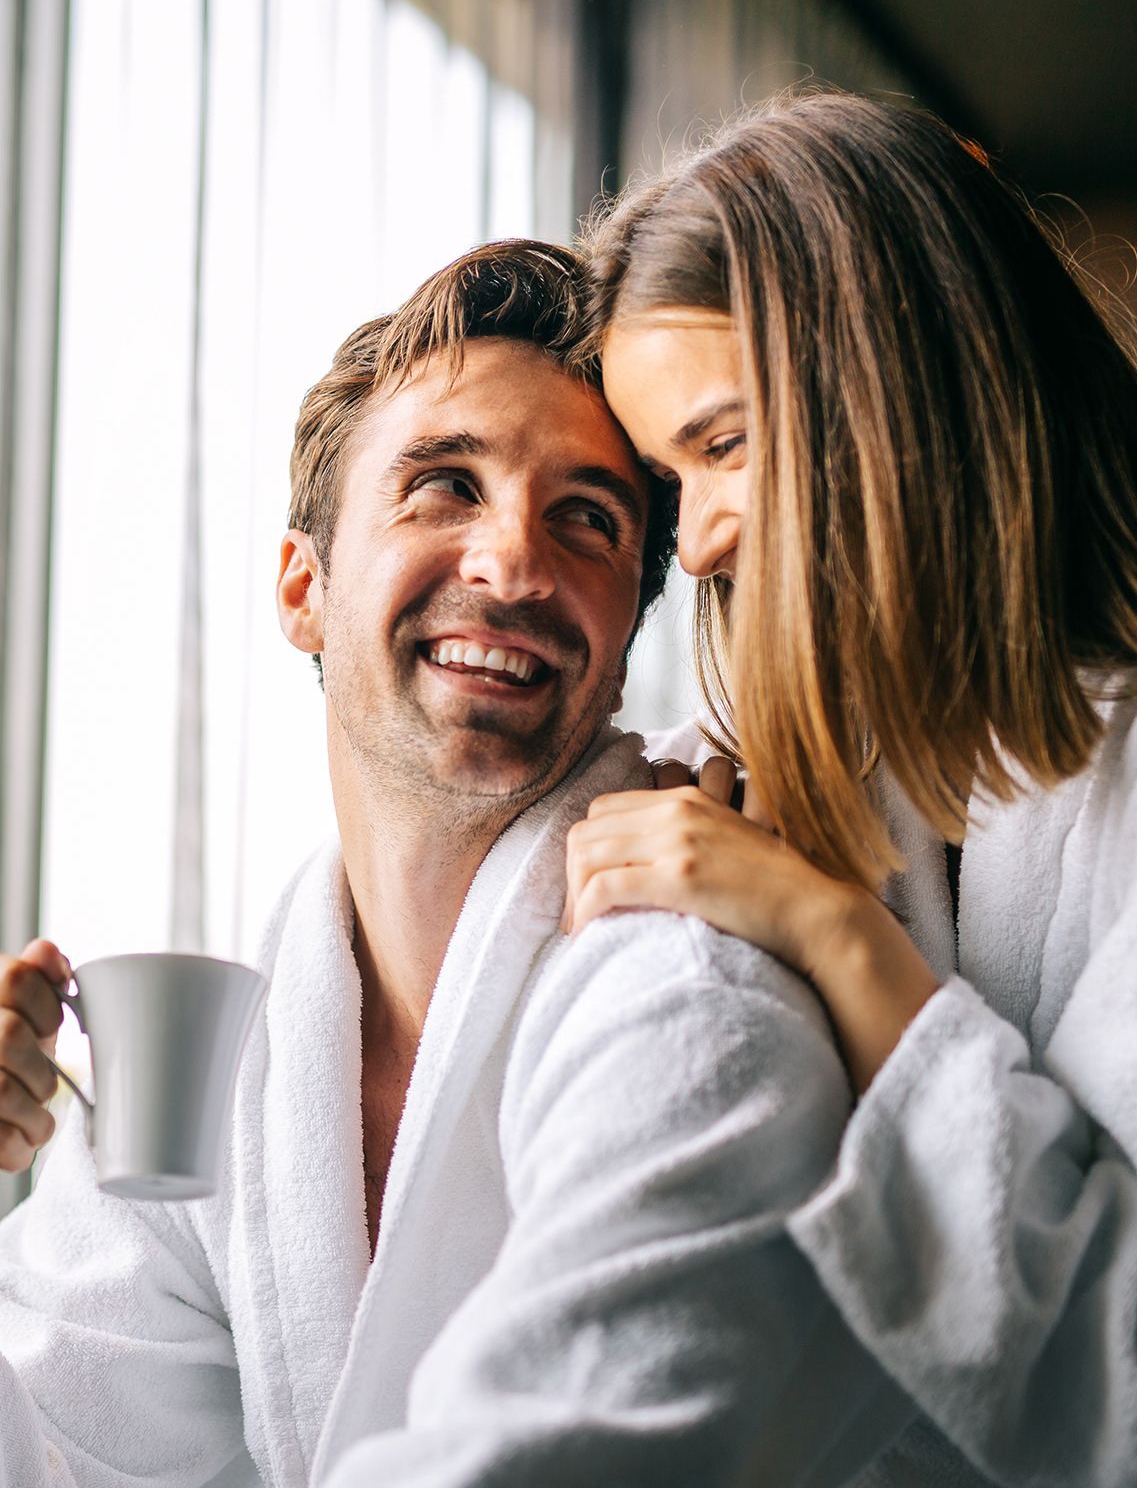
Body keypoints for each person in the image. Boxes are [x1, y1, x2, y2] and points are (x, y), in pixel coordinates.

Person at [0, 240, 913, 1487]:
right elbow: (61, 1451)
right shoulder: (233, 1073)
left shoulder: (691, 978)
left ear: (624, 637)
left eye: (587, 519)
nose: (514, 566)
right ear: (303, 587)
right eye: (444, 487)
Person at [565, 92, 1137, 1487]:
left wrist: (836, 935)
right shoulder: (820, 757)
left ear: (897, 382)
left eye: (725, 445)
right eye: (670, 484)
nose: (699, 541)